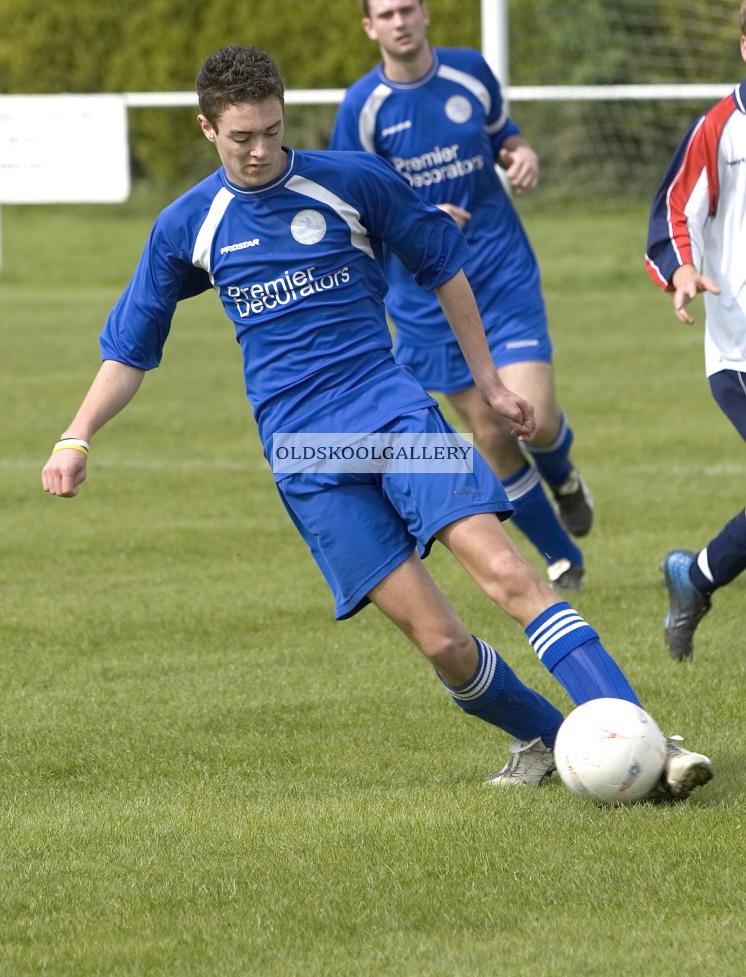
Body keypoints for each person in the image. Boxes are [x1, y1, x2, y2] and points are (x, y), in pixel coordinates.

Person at [42, 43, 711, 799]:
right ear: (206, 129)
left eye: (270, 130)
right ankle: (558, 744)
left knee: (509, 574)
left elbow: (441, 263)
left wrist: (487, 381)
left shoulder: (350, 182)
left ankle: (650, 741)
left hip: (392, 415)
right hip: (307, 453)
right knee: (442, 641)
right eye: (241, 137)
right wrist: (77, 434)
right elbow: (131, 347)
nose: (260, 150)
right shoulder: (188, 226)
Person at [329, 0, 592, 593]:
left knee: (536, 414)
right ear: (370, 27)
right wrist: (419, 220)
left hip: (499, 274)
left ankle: (564, 475)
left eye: (407, 10)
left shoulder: (469, 71)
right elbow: (351, 209)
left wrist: (522, 152)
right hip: (423, 302)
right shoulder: (363, 109)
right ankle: (562, 558)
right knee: (489, 431)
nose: (400, 23)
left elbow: (505, 134)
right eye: (386, 15)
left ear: (424, 13)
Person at [645, 0, 746, 661]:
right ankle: (696, 577)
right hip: (742, 352)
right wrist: (681, 271)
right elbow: (673, 215)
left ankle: (696, 576)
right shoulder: (720, 130)